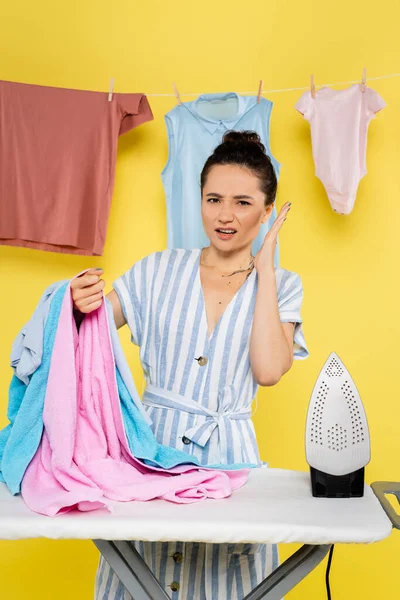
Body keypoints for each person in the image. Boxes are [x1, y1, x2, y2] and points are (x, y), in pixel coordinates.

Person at [71, 130, 309, 600]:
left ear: (266, 213)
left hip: (231, 458)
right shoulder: (157, 269)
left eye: (243, 203)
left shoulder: (282, 285)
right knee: (136, 576)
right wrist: (77, 303)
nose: (224, 215)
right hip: (150, 452)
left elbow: (267, 370)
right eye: (213, 198)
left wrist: (263, 270)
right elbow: (90, 328)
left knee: (230, 581)